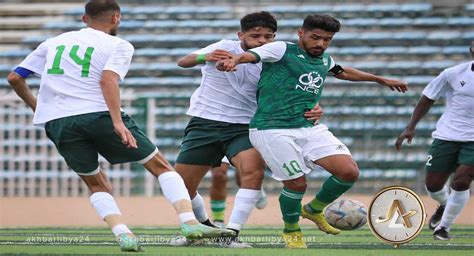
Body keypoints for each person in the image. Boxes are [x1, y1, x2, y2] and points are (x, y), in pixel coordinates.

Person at [6, 0, 232, 252]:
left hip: (59, 121)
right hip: (98, 113)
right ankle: (189, 222)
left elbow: (15, 77)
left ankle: (123, 233)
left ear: (84, 19)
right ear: (116, 18)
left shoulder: (52, 42)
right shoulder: (119, 44)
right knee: (161, 167)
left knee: (96, 184)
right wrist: (117, 121)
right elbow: (108, 80)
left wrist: (38, 108)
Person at [217, 14, 408, 249]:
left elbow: (342, 71)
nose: (320, 44)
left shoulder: (324, 59)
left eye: (326, 39)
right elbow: (252, 55)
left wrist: (379, 79)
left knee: (349, 171)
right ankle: (291, 231)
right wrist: (235, 60)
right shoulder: (280, 49)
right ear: (301, 33)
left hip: (309, 127)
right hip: (272, 128)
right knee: (297, 184)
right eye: (315, 37)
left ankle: (313, 210)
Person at [174, 11, 323, 248]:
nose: (262, 41)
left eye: (268, 36)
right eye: (256, 35)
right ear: (240, 35)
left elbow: (301, 87)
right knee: (181, 186)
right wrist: (207, 57)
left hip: (246, 125)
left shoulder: (277, 57)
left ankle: (231, 234)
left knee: (253, 171)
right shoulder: (224, 46)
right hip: (205, 122)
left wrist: (315, 106)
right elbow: (183, 61)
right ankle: (204, 227)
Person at [395, 43, 473, 241]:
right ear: (472, 51)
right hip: (447, 135)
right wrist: (410, 127)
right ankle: (445, 203)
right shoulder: (453, 74)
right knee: (433, 185)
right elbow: (428, 97)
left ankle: (443, 227)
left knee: (462, 180)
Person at [209, 157, 267, 228]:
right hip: (218, 146)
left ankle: (255, 185)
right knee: (218, 175)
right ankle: (218, 220)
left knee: (242, 179)